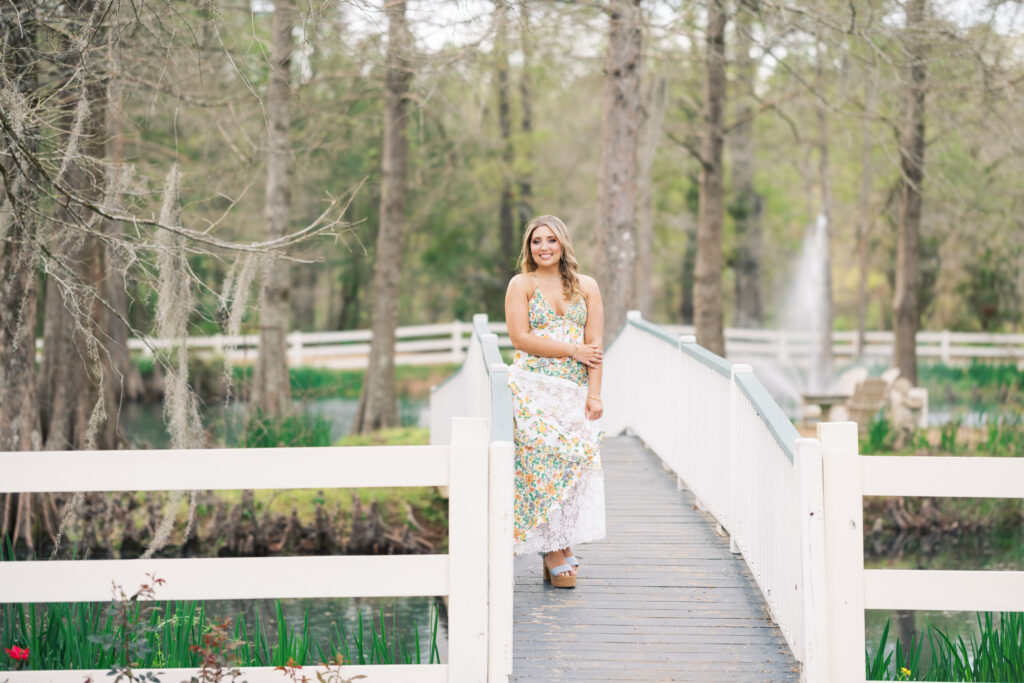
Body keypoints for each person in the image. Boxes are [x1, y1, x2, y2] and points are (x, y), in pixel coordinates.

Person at [504, 215, 606, 589]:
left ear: (562, 243)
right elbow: (520, 338)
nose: (543, 247)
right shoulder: (521, 284)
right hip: (534, 388)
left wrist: (594, 394)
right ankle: (550, 550)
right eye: (535, 241)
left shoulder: (587, 286)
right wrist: (571, 350)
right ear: (528, 247)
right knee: (539, 469)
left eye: (550, 240)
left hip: (575, 392)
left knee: (571, 472)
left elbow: (594, 347)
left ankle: (563, 540)